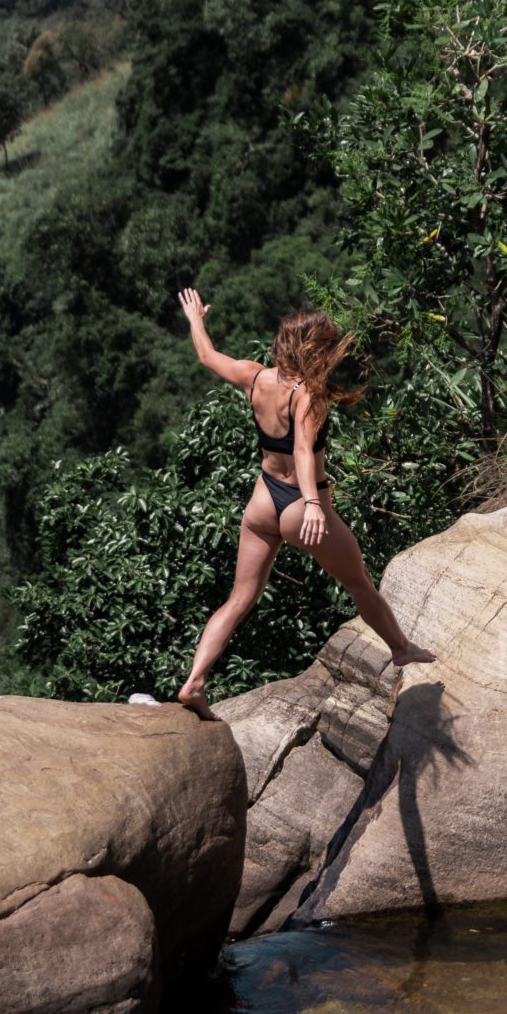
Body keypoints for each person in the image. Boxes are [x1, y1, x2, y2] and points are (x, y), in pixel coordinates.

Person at [171, 288, 433, 717]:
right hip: (298, 507)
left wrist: (196, 320)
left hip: (262, 503)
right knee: (359, 583)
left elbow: (207, 356)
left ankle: (194, 681)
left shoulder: (254, 377)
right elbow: (303, 450)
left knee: (239, 600)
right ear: (314, 349)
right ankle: (402, 649)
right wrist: (312, 503)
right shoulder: (306, 395)